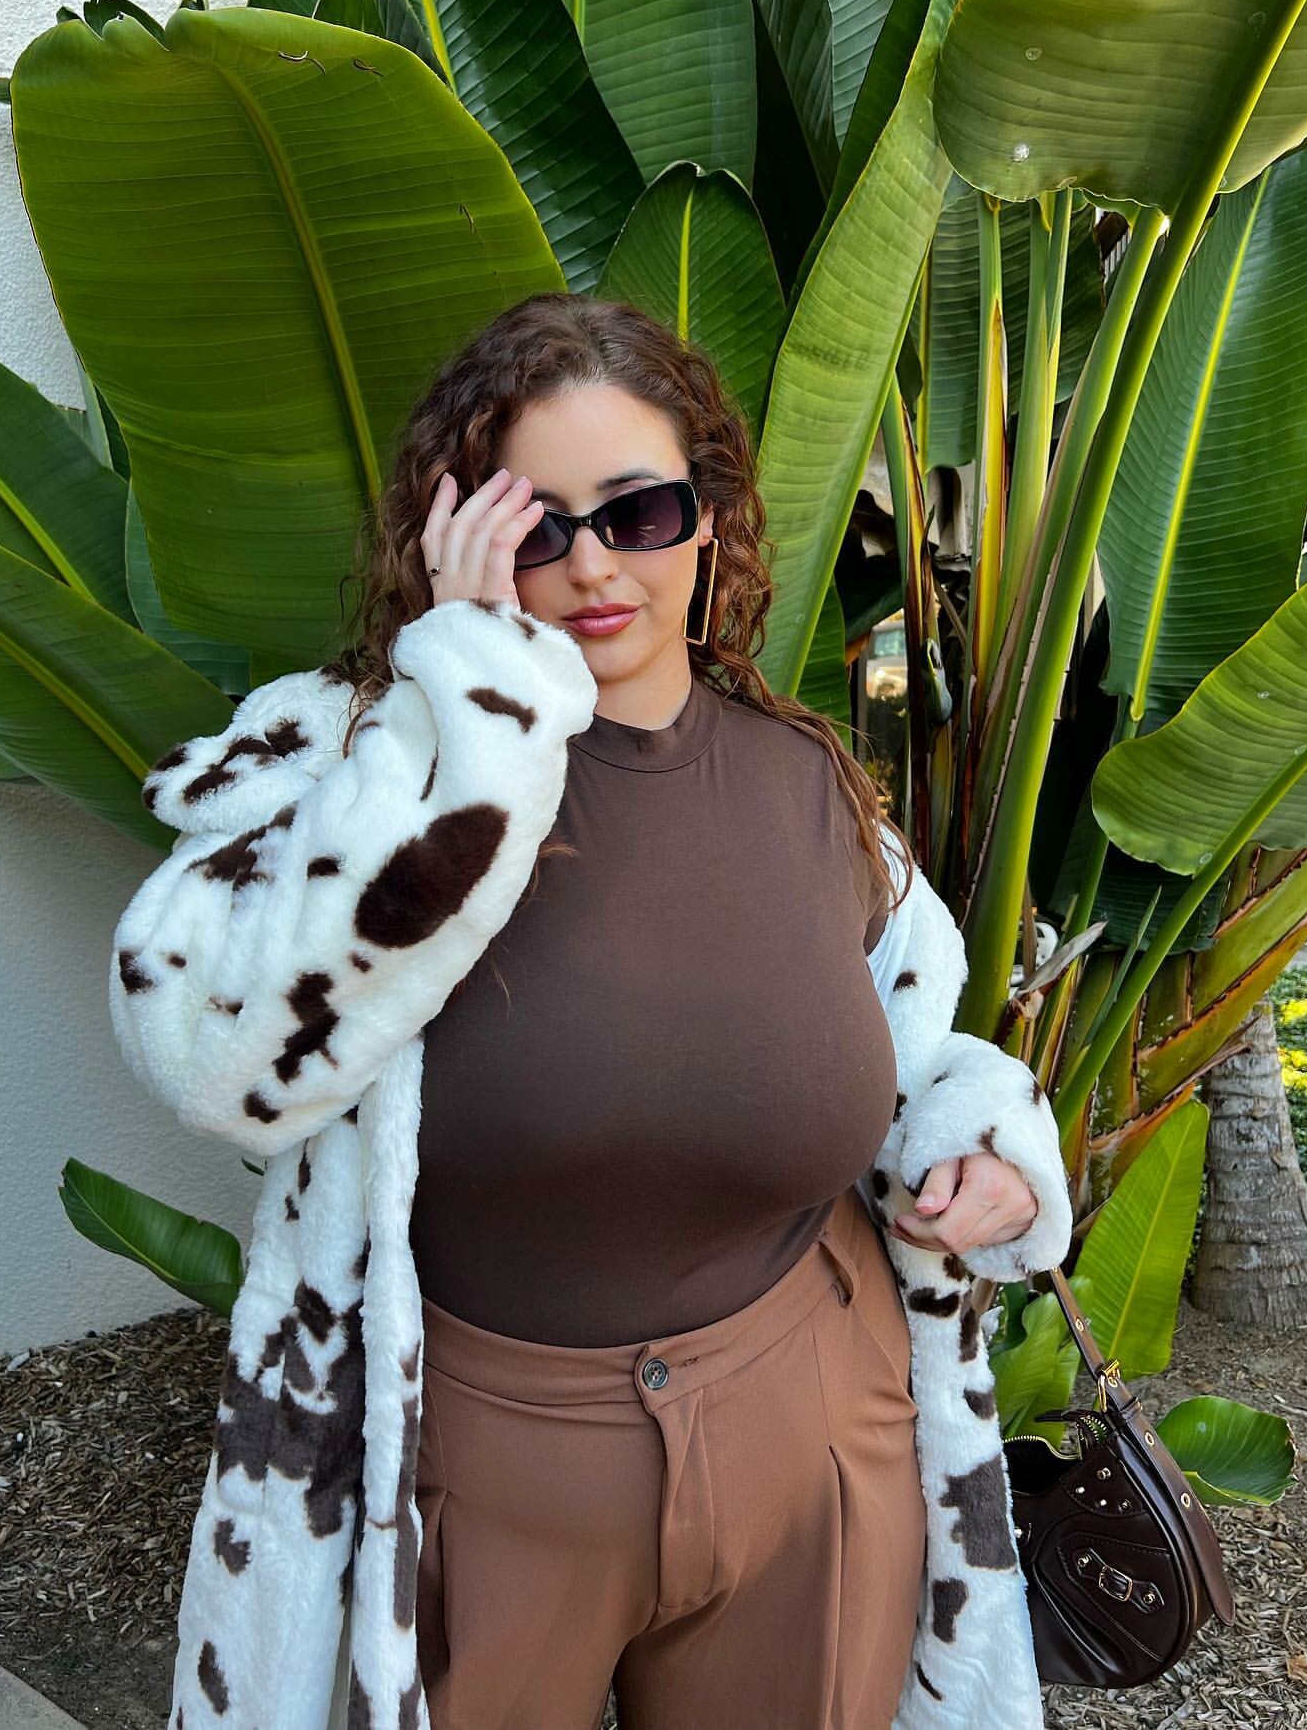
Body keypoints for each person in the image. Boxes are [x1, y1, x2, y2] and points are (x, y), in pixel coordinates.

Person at [110, 293, 1072, 1730]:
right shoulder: (348, 772)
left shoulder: (801, 778)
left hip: (814, 1414)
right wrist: (468, 713)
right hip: (486, 1462)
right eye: (535, 527)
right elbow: (212, 1060)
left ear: (707, 520)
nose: (593, 564)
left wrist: (983, 1152)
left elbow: (916, 1043)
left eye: (639, 512)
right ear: (453, 538)